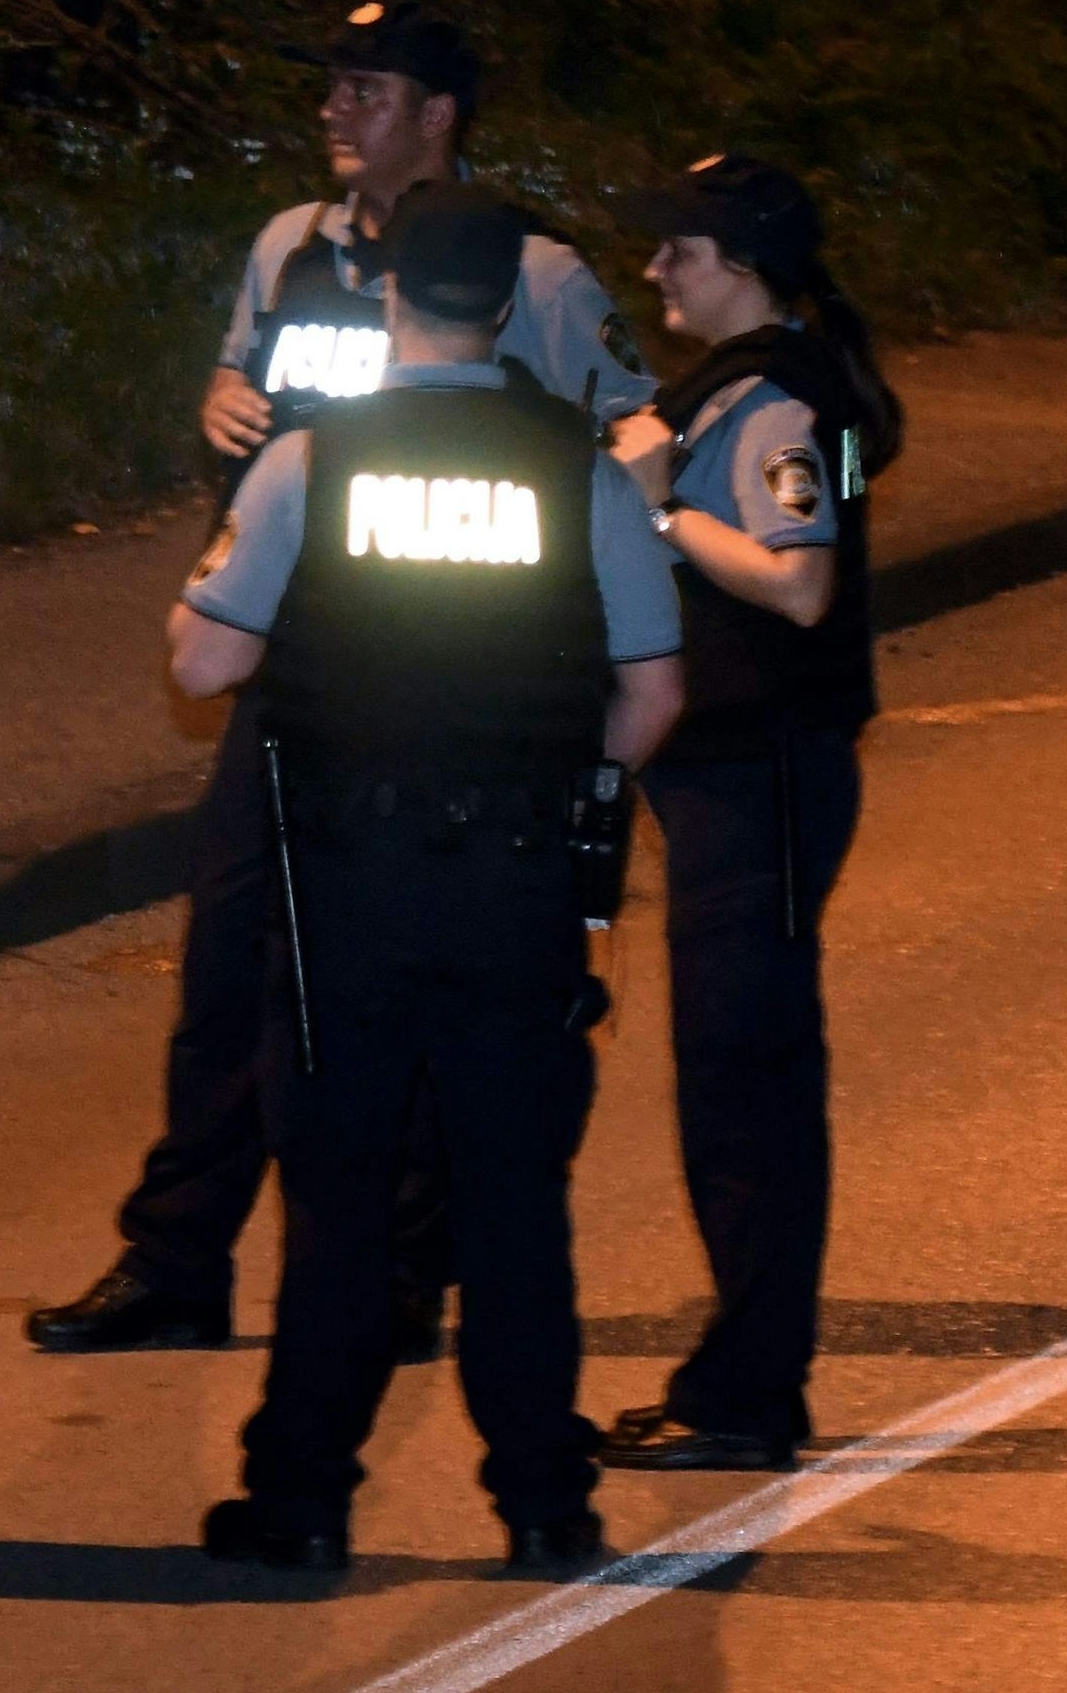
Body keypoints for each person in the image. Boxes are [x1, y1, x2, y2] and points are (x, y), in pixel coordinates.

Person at [30, 0, 658, 1360]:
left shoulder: (532, 271)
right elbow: (235, 376)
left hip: (457, 691)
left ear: (440, 115)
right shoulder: (291, 249)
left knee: (426, 985)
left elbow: (639, 433)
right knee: (225, 974)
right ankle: (178, 1258)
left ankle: (401, 1270)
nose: (336, 110)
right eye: (331, 87)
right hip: (298, 659)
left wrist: (587, 588)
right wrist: (217, 413)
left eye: (367, 90)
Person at [168, 180, 684, 1574]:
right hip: (514, 884)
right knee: (513, 1196)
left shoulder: (313, 461)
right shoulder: (573, 469)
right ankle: (541, 1501)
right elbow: (650, 692)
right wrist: (572, 792)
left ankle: (303, 1497)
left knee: (337, 1198)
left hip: (349, 885)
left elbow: (205, 658)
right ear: (511, 305)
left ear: (386, 295)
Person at [595, 157, 902, 1471]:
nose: (659, 269)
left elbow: (798, 586)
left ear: (742, 263)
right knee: (740, 1077)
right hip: (747, 775)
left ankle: (748, 1395)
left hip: (762, 772)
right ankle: (740, 1375)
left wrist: (659, 500)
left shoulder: (777, 396)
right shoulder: (774, 382)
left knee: (749, 1085)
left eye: (682, 250)